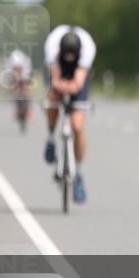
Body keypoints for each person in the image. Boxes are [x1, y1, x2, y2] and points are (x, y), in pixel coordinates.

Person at [43, 25, 97, 203]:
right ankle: (51, 137)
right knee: (52, 99)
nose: (69, 58)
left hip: (78, 75)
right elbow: (55, 79)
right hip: (58, 71)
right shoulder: (52, 45)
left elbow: (78, 83)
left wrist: (71, 88)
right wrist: (59, 88)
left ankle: (79, 175)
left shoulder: (88, 48)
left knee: (77, 125)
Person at [7, 49, 33, 132]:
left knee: (26, 90)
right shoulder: (10, 66)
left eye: (19, 68)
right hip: (13, 78)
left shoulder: (26, 64)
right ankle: (17, 108)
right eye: (16, 68)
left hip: (25, 76)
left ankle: (28, 109)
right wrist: (13, 89)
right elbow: (11, 82)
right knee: (15, 90)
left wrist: (26, 89)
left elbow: (27, 81)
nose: (17, 69)